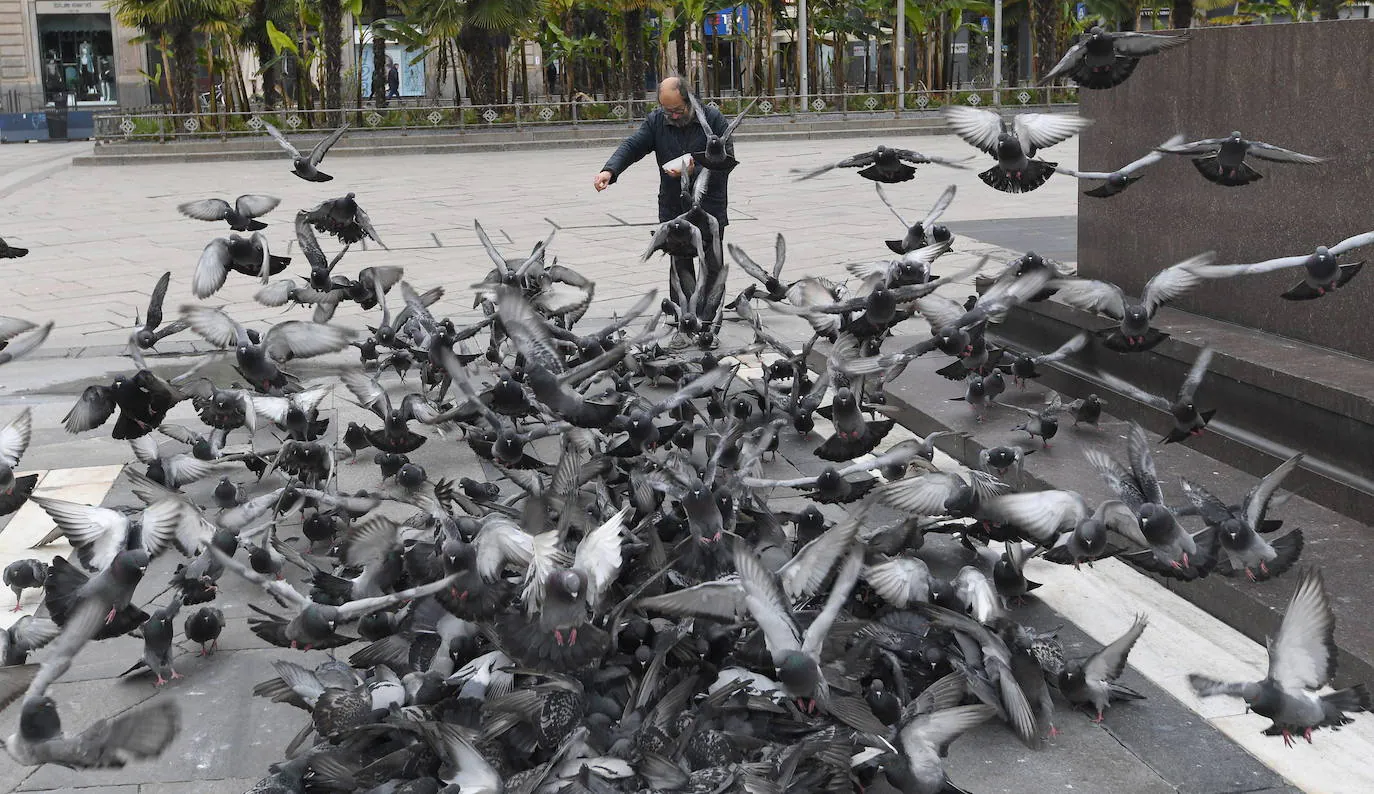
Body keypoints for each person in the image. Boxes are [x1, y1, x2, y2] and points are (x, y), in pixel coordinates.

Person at [594, 76, 733, 326]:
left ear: (690, 100)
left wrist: (696, 170)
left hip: (708, 207)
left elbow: (726, 160)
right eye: (667, 110)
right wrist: (610, 170)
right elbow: (633, 145)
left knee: (712, 267)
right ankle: (683, 320)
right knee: (680, 265)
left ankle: (708, 324)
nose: (673, 116)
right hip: (673, 206)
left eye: (678, 110)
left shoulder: (713, 120)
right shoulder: (657, 120)